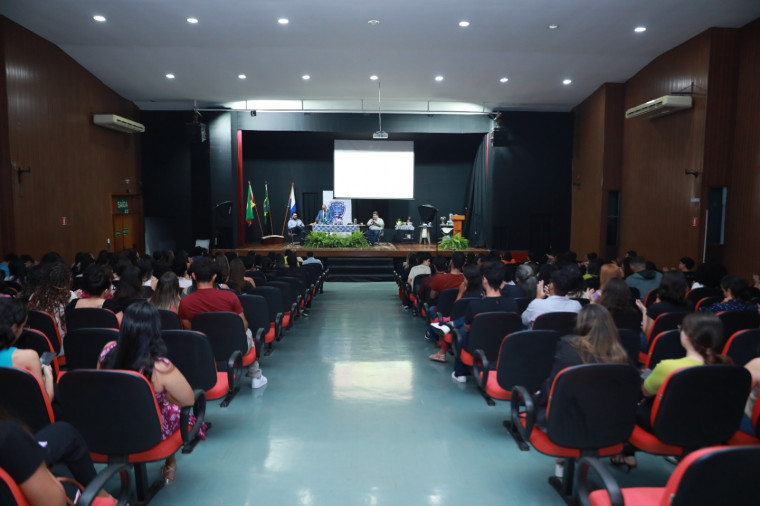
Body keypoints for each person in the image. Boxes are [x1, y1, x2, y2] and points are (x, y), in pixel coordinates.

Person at [98, 302, 206, 484]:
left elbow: (101, 386)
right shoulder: (159, 366)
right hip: (148, 431)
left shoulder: (108, 349)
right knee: (174, 408)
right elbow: (188, 399)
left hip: (112, 425)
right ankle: (170, 461)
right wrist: (164, 395)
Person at [613, 312, 731, 468]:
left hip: (666, 425)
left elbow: (645, 392)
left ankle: (623, 451)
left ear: (687, 337)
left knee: (629, 395)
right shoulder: (726, 367)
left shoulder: (669, 367)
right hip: (705, 426)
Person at [178, 257, 267, 388]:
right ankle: (256, 376)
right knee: (248, 331)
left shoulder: (185, 302)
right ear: (214, 276)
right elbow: (243, 325)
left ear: (193, 276)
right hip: (232, 346)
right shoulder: (230, 297)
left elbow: (189, 329)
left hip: (203, 348)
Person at [0, 298, 55, 402]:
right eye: (23, 326)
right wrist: (48, 375)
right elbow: (45, 402)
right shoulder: (28, 357)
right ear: (15, 327)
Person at [636, 270, 689, 338]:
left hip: (658, 347)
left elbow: (647, 336)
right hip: (682, 345)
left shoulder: (655, 308)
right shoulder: (689, 305)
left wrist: (644, 311)